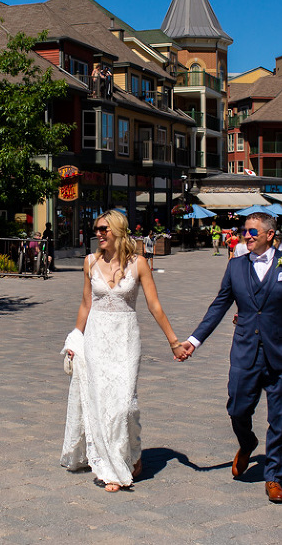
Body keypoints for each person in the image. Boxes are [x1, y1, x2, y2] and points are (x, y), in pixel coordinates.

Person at [178, 213, 282, 504]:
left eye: (253, 231)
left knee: (279, 418)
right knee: (237, 408)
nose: (247, 235)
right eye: (245, 231)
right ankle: (247, 442)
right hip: (245, 351)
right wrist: (194, 340)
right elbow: (218, 307)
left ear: (270, 234)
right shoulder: (235, 266)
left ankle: (274, 477)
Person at [61, 210, 185, 492]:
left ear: (118, 230)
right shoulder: (90, 262)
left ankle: (133, 453)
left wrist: (174, 342)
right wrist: (74, 339)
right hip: (95, 338)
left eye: (104, 228)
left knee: (123, 405)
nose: (99, 233)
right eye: (96, 229)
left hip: (126, 338)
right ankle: (112, 467)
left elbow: (155, 305)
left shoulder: (139, 263)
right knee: (100, 402)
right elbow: (85, 304)